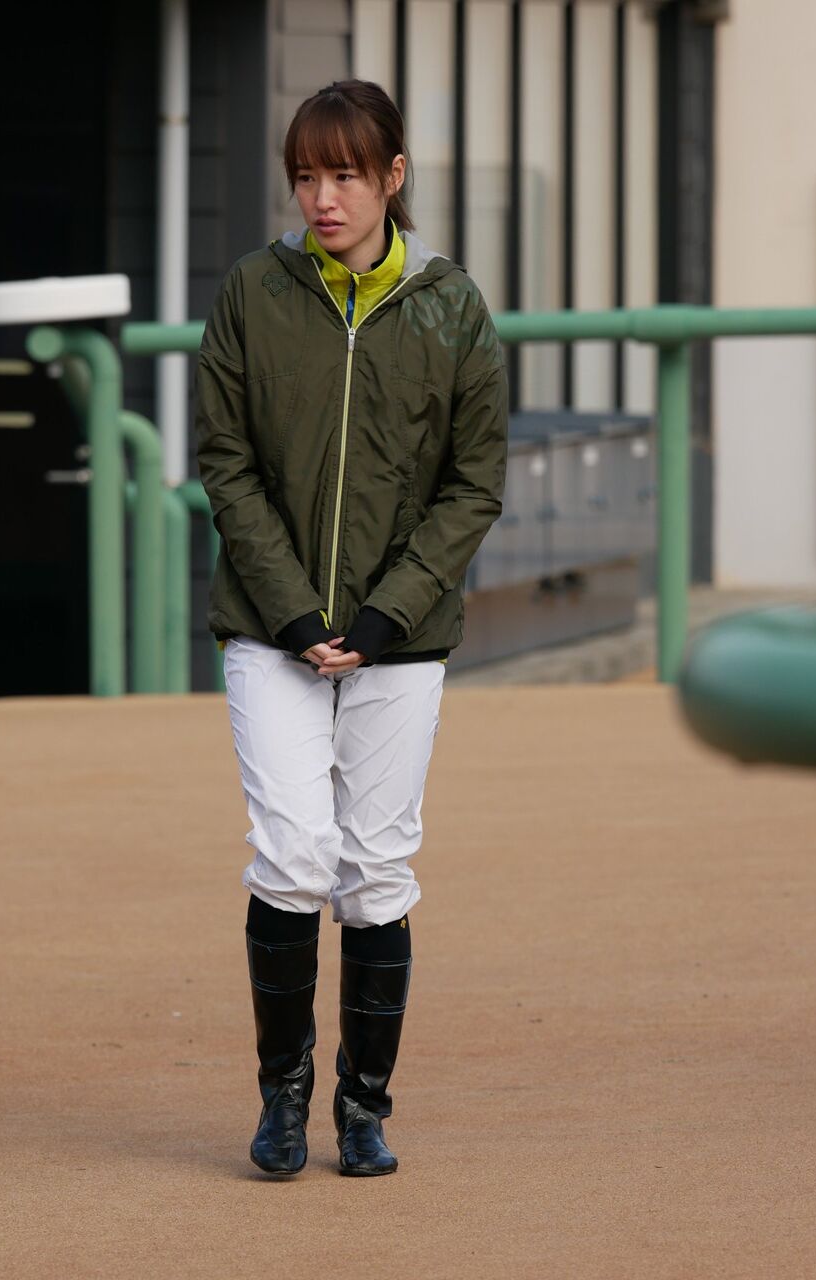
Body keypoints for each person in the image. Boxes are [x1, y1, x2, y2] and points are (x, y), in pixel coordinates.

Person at [194, 79, 508, 1178]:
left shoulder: (452, 307)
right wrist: (293, 611)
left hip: (398, 639)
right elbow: (225, 461)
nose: (322, 197)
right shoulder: (252, 292)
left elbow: (472, 484)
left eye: (344, 174)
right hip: (270, 631)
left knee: (375, 870)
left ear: (392, 177)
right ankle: (282, 1099)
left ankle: (362, 1108)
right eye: (305, 176)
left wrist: (381, 616)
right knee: (292, 854)